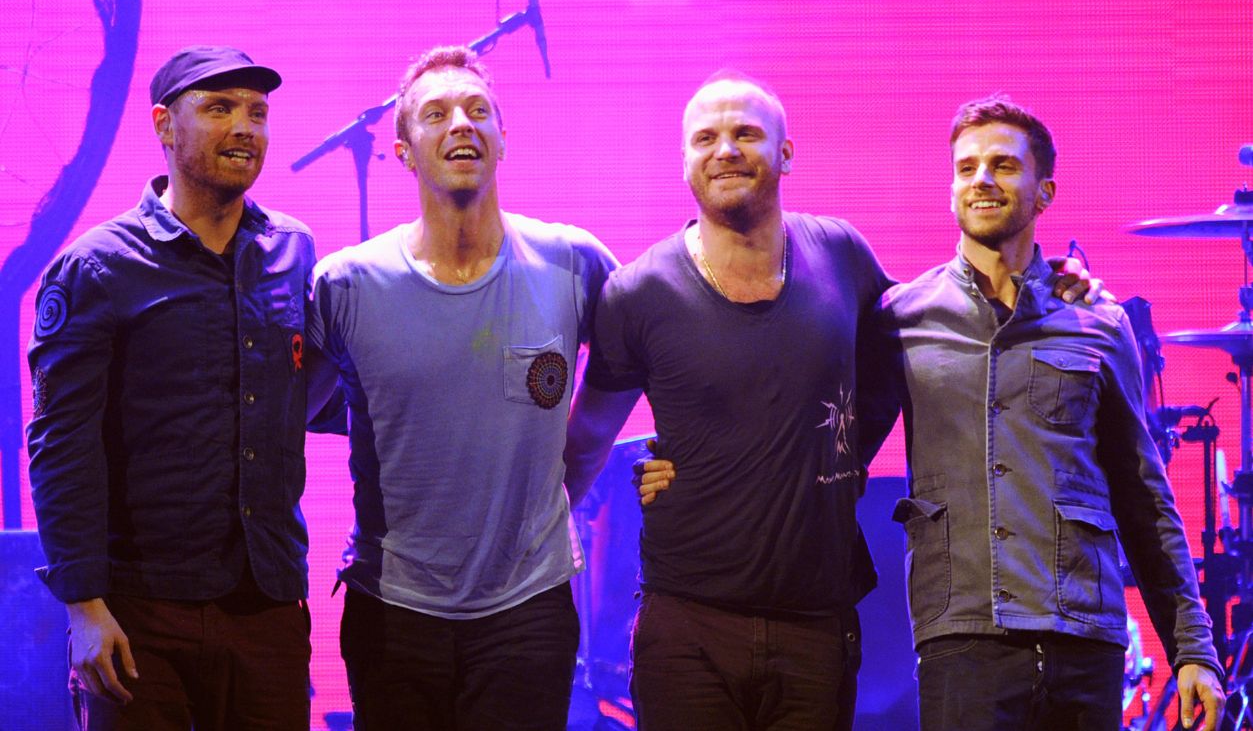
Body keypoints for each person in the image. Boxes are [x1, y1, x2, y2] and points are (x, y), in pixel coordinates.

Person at [591, 74, 1102, 730]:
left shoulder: (839, 254)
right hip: (687, 623)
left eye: (745, 133)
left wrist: (1044, 280)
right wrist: (640, 471)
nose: (724, 149)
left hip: (815, 621)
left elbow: (935, 325)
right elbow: (586, 438)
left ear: (785, 152)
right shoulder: (637, 291)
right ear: (683, 160)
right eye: (705, 138)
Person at [861, 96, 1224, 731]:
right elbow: (830, 447)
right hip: (963, 633)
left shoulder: (1097, 321)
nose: (982, 180)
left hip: (1083, 635)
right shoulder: (901, 318)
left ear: (1044, 189)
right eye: (966, 167)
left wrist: (1192, 649)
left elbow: (1144, 496)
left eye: (1002, 165)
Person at [305, 46, 636, 731]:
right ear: (402, 151)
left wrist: (575, 466)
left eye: (477, 110)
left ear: (503, 139)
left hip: (528, 608)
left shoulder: (573, 262)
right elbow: (293, 406)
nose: (461, 122)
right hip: (392, 609)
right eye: (436, 113)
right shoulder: (345, 285)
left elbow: (634, 360)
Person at [27, 46, 317, 730]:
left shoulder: (293, 249)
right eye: (220, 109)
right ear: (164, 124)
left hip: (267, 602)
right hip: (138, 611)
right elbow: (61, 441)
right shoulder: (97, 266)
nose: (245, 127)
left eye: (257, 112)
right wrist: (84, 604)